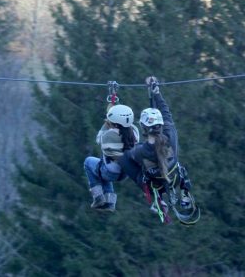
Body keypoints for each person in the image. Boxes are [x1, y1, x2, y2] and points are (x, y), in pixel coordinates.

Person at [118, 76, 197, 221]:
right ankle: (184, 193)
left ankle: (157, 198)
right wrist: (156, 92)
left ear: (143, 127)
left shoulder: (141, 151)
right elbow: (166, 112)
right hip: (175, 178)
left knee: (123, 158)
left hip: (157, 184)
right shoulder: (170, 134)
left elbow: (129, 154)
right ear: (160, 124)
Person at [84, 103, 139, 212]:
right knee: (102, 167)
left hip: (110, 172)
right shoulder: (134, 133)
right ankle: (110, 202)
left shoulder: (109, 135)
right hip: (124, 174)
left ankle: (98, 197)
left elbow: (99, 139)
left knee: (89, 162)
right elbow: (125, 127)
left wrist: (107, 122)